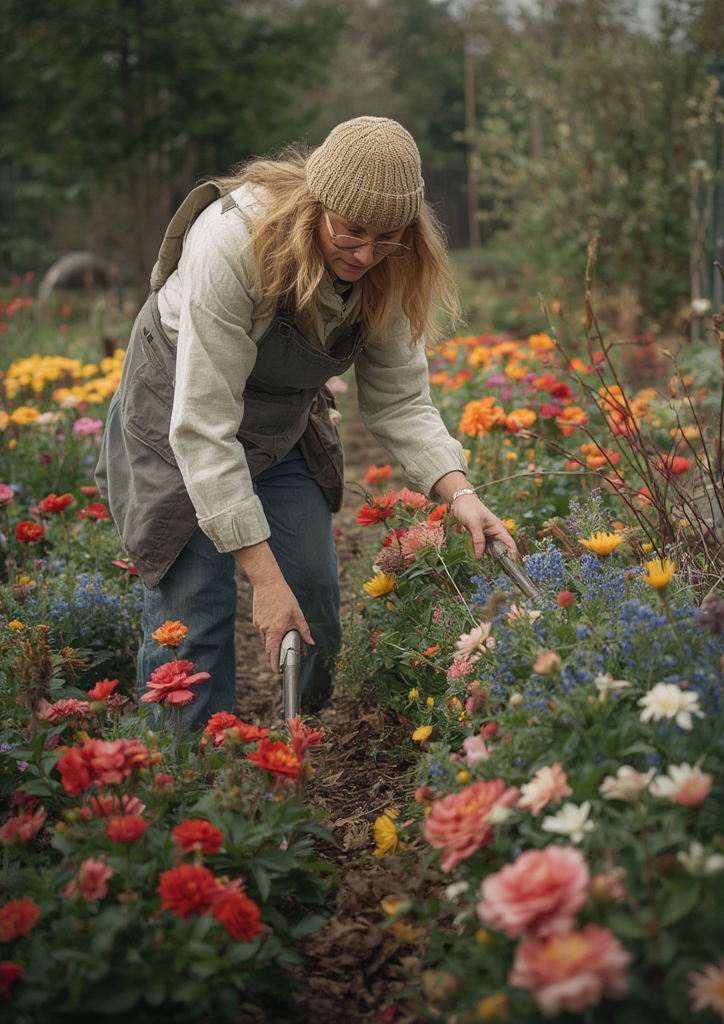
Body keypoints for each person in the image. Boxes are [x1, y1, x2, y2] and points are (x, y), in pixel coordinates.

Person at [95, 116, 516, 728]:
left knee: (313, 597)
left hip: (282, 419)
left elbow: (399, 401)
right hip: (178, 414)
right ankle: (186, 769)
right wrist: (263, 583)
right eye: (351, 232)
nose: (366, 255)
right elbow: (205, 428)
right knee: (195, 610)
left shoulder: (393, 265)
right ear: (317, 205)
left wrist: (462, 494)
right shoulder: (234, 242)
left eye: (387, 238)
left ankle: (304, 735)